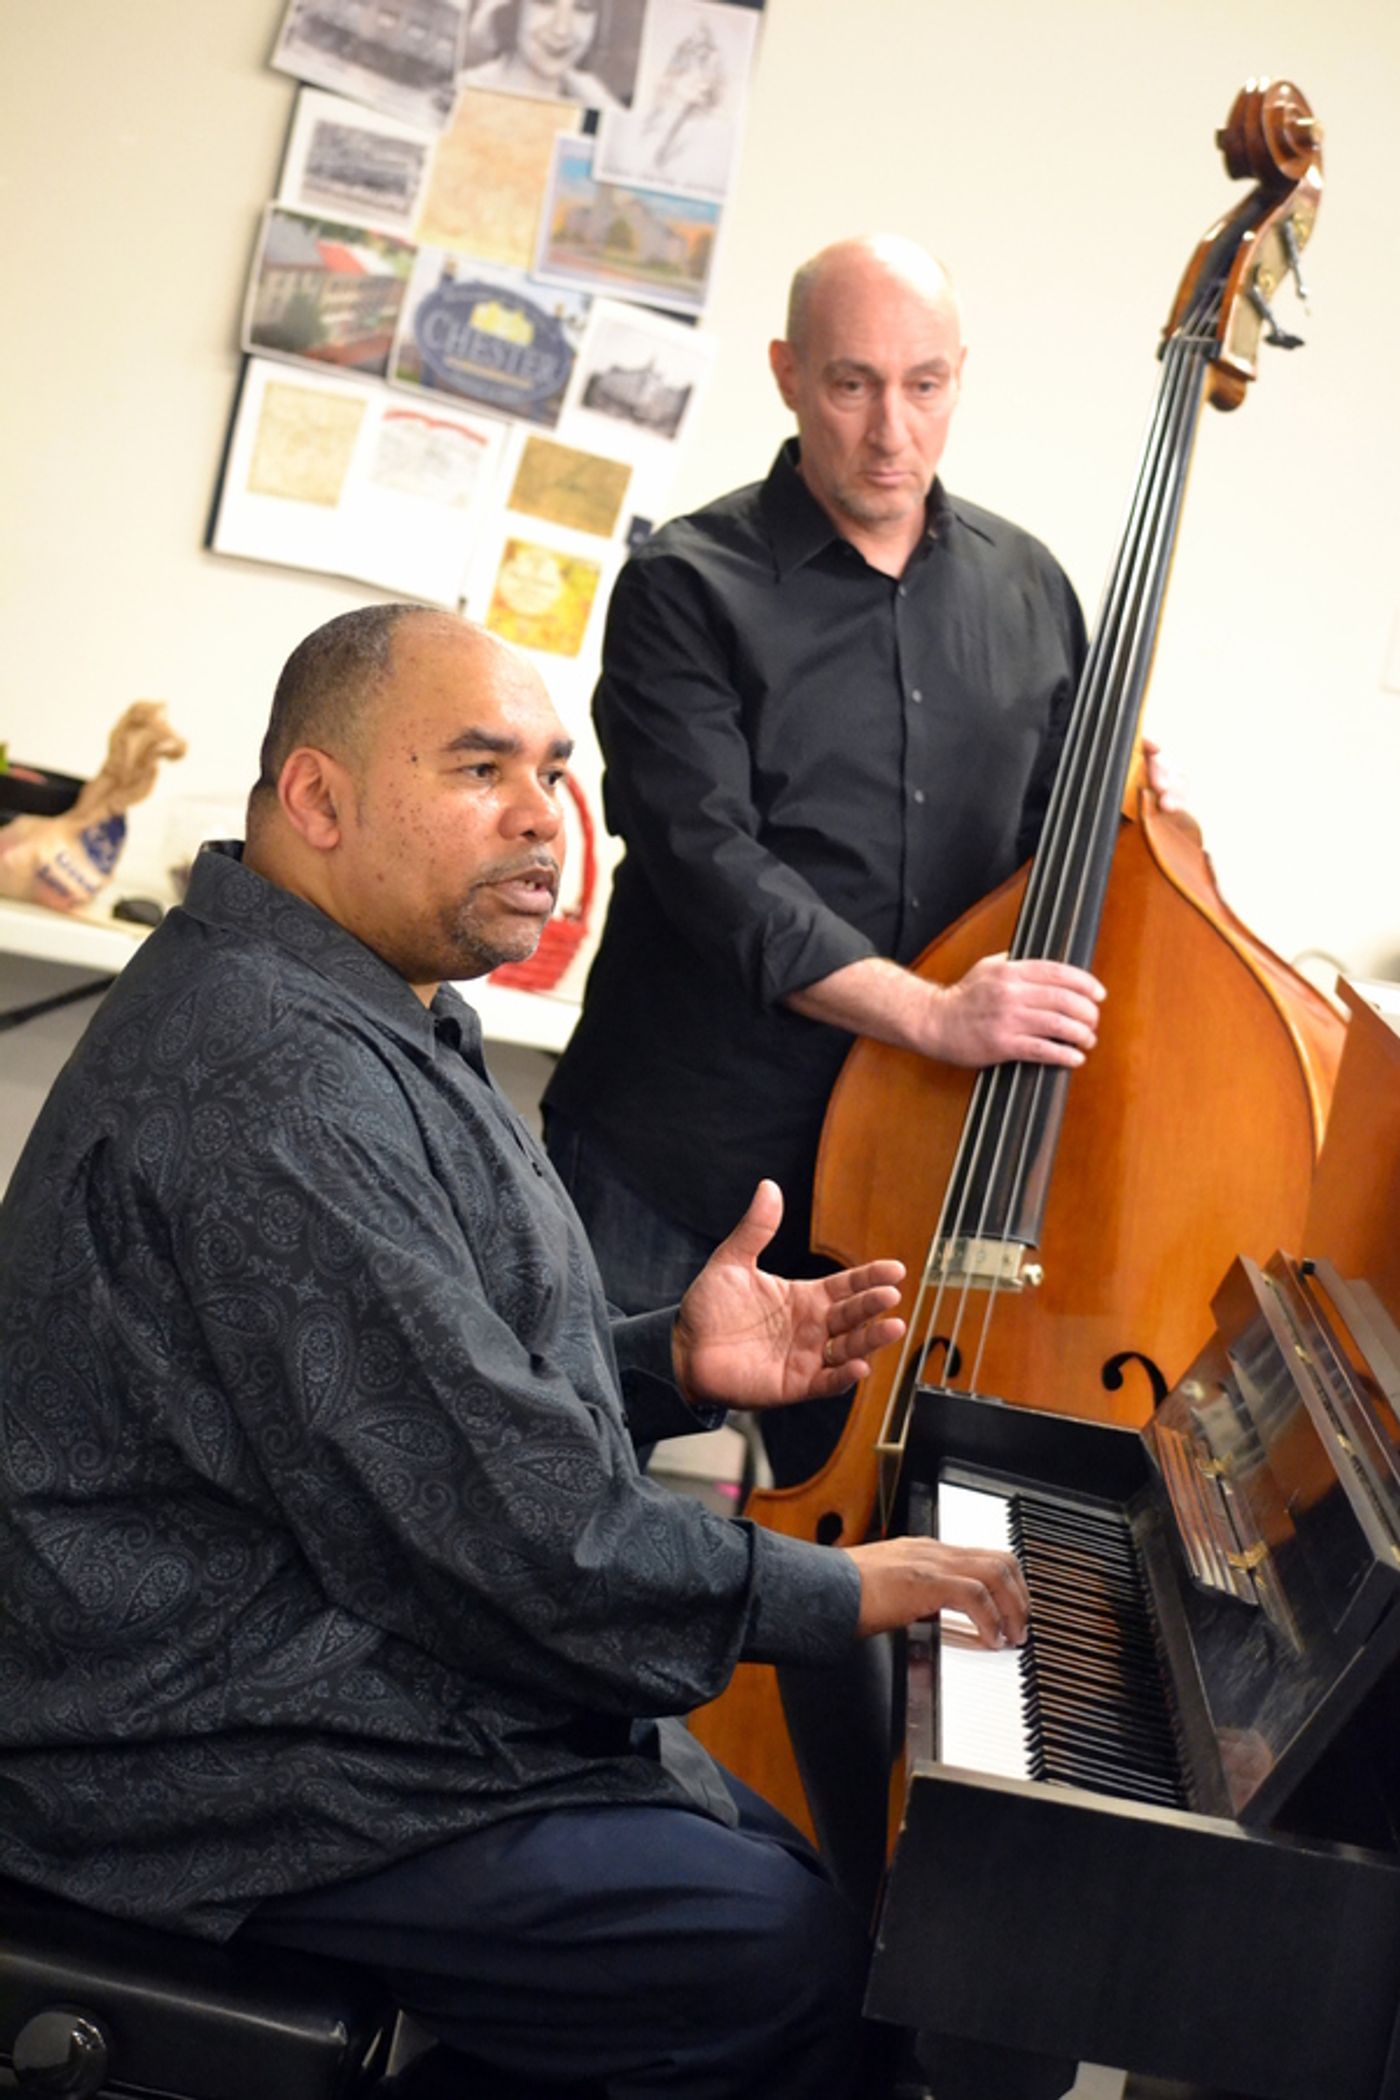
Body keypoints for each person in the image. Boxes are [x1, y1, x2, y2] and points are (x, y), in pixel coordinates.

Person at [0, 604, 1037, 2100]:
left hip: (343, 1658)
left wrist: (665, 1355)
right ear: (319, 797)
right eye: (482, 768)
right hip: (188, 1754)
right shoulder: (274, 1073)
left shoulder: (363, 1000)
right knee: (785, 1959)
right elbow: (507, 1530)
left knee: (801, 1893)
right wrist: (843, 1588)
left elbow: (396, 1398)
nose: (542, 821)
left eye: (552, 773)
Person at [544, 232, 1173, 1492]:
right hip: (671, 1162)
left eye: (924, 384)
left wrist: (1145, 826)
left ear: (957, 380)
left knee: (869, 1559)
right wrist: (931, 1014)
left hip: (901, 1193)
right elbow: (709, 867)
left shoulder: (1030, 588)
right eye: (851, 384)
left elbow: (1061, 851)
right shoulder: (684, 585)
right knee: (556, 1502)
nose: (892, 429)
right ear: (785, 373)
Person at [461, 0, 624, 109]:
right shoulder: (460, 96)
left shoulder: (601, 108)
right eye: (545, 2)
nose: (562, 29)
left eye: (582, 7)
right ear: (512, 8)